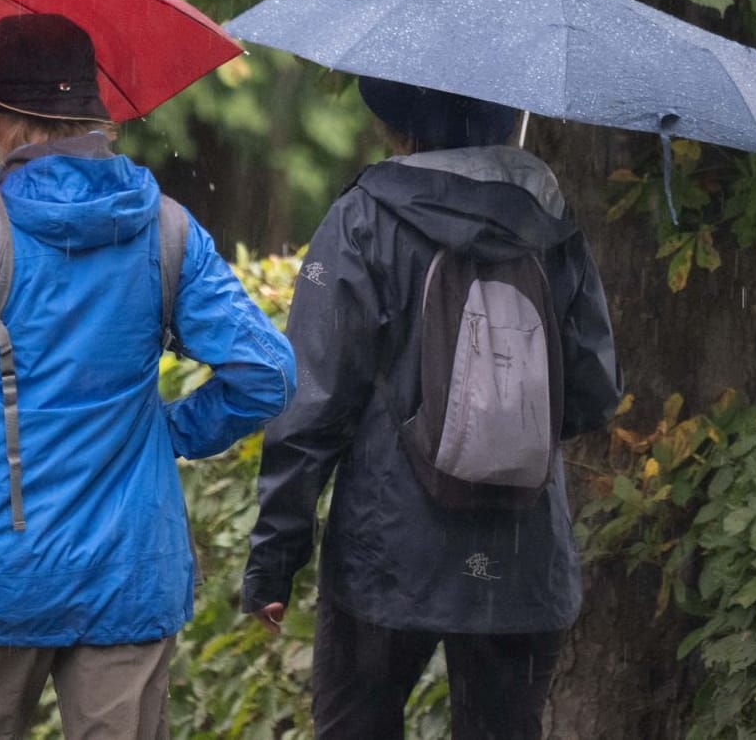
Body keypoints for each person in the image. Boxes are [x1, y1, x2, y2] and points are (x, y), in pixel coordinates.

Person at [0, 13, 295, 740]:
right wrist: (170, 431)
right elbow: (266, 373)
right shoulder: (167, 231)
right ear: (96, 112)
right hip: (127, 570)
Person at [241, 78, 621, 740]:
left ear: (397, 119)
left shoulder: (365, 216)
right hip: (520, 551)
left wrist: (274, 558)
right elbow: (591, 391)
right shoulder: (550, 222)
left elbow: (313, 404)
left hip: (388, 551)